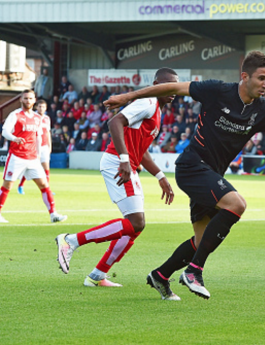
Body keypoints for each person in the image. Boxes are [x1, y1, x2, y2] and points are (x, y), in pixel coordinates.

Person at [103, 51, 265, 300]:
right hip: (192, 166)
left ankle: (161, 275)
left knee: (202, 241)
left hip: (211, 174)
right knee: (237, 204)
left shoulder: (264, 109)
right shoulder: (217, 90)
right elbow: (172, 87)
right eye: (261, 78)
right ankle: (194, 272)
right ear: (244, 76)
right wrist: (126, 97)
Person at [55, 68, 177, 290]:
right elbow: (114, 123)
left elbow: (141, 150)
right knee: (136, 222)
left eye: (175, 86)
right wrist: (123, 159)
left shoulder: (156, 109)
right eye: (168, 85)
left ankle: (96, 275)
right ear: (156, 83)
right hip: (117, 163)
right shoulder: (148, 101)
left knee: (136, 226)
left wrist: (160, 176)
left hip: (127, 163)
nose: (173, 91)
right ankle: (71, 240)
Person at [0, 90, 67, 223]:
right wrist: (15, 138)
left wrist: (37, 154)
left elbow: (37, 136)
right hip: (17, 156)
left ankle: (53, 214)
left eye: (30, 98)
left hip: (32, 158)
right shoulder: (15, 115)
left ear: (34, 100)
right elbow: (5, 131)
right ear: (21, 100)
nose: (28, 101)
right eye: (25, 98)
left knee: (44, 184)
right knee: (7, 185)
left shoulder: (38, 118)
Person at [17, 100, 52, 195]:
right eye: (40, 106)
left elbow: (48, 133)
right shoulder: (33, 117)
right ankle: (20, 185)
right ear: (36, 107)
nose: (41, 108)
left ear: (46, 108)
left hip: (44, 146)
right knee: (29, 167)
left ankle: (47, 189)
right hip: (34, 146)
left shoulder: (47, 118)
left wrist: (49, 145)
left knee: (46, 168)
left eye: (43, 107)